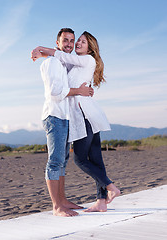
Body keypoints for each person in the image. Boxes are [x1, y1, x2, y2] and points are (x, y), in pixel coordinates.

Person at [31, 31, 120, 212]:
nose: (76, 43)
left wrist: (44, 50)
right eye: (74, 40)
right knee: (94, 158)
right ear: (58, 41)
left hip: (84, 115)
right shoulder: (67, 64)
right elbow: (61, 68)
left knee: (80, 160)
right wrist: (45, 54)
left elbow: (62, 58)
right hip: (80, 114)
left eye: (80, 41)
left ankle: (110, 187)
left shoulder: (86, 59)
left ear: (90, 47)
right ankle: (101, 201)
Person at [33, 28, 94, 217]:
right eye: (65, 40)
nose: (69, 44)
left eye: (71, 40)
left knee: (62, 161)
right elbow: (55, 92)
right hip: (54, 116)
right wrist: (79, 91)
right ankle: (56, 206)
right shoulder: (52, 63)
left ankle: (63, 200)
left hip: (65, 116)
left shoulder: (62, 63)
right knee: (55, 161)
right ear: (57, 43)